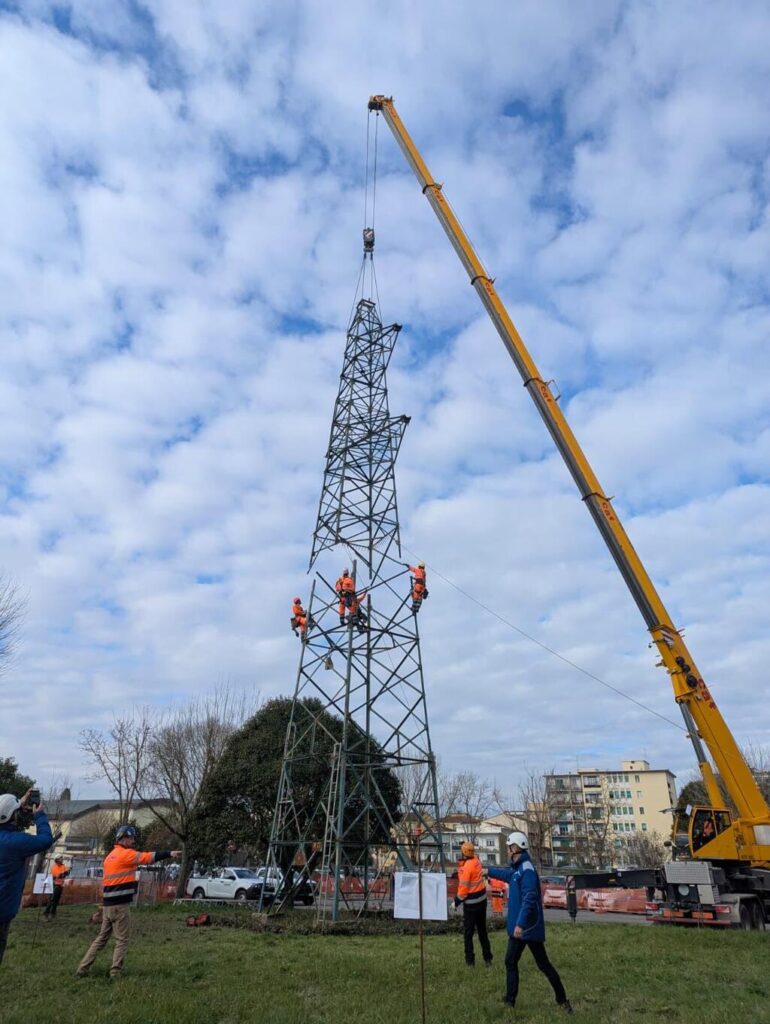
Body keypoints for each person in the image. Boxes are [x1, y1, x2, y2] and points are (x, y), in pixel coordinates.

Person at [76, 825, 181, 978]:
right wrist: (169, 853)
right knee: (122, 940)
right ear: (123, 838)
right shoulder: (127, 855)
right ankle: (115, 972)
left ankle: (82, 968)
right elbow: (147, 857)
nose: (133, 841)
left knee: (101, 939)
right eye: (131, 838)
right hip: (120, 907)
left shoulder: (109, 857)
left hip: (108, 906)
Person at [488, 831, 572, 1013]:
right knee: (510, 962)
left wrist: (520, 924)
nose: (507, 851)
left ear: (515, 848)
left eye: (509, 848)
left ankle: (563, 1000)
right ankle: (510, 1000)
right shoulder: (519, 868)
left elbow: (529, 898)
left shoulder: (526, 870)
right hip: (521, 928)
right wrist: (487, 871)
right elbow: (508, 875)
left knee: (543, 964)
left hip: (527, 928)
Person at [0, 789, 54, 966]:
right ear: (13, 815)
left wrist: (15, 805)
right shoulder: (15, 842)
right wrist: (39, 816)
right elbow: (45, 840)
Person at [454, 840, 492, 968]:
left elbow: (463, 890)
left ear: (463, 853)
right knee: (482, 931)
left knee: (468, 934)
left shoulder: (467, 867)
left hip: (470, 905)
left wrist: (456, 902)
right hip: (482, 901)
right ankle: (488, 959)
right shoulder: (476, 861)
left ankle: (470, 962)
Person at [43, 855, 70, 920]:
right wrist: (60, 875)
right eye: (60, 858)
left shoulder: (63, 866)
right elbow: (54, 876)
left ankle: (53, 913)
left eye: (62, 858)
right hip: (55, 885)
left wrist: (66, 872)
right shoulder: (54, 867)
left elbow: (66, 872)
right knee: (52, 899)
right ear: (57, 860)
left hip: (60, 885)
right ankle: (46, 912)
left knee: (56, 900)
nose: (62, 859)